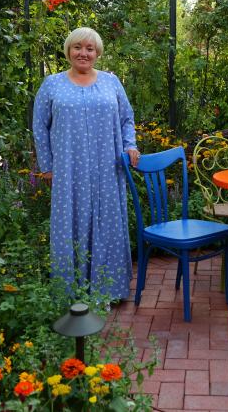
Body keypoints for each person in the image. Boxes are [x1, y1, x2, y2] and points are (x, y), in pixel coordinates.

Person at [32, 27, 140, 302]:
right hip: (68, 171)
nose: (84, 53)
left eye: (90, 49)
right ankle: (70, 292)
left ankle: (110, 290)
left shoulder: (111, 82)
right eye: (78, 47)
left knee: (108, 224)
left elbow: (127, 118)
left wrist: (130, 145)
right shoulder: (52, 85)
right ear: (68, 50)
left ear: (97, 53)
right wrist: (47, 166)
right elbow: (39, 127)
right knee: (70, 225)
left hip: (108, 169)